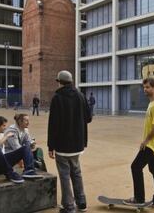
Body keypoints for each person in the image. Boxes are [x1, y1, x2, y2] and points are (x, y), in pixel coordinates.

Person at [48, 70, 92, 213]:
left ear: (59, 81)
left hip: (62, 144)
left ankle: (68, 206)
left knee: (65, 175)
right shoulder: (81, 95)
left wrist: (51, 145)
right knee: (76, 172)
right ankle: (82, 202)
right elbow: (89, 118)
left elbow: (53, 124)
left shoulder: (57, 97)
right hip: (77, 144)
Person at [123, 77, 154, 208]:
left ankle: (139, 198)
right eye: (144, 87)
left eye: (147, 87)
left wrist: (145, 141)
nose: (145, 90)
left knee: (135, 167)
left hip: (151, 145)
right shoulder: (152, 104)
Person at [0, 116, 42, 184]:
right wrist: (6, 136)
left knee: (25, 147)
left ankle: (29, 171)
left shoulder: (2, 135)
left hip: (2, 166)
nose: (5, 128)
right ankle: (10, 173)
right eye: (3, 126)